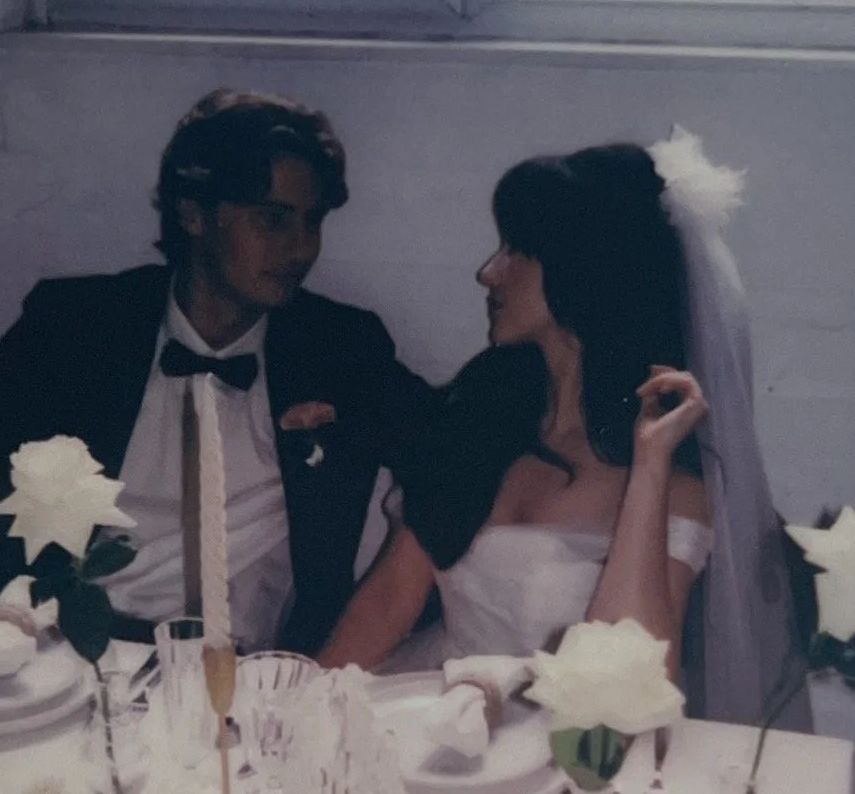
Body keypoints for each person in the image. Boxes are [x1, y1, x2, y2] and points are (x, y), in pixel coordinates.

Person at [0, 89, 431, 657]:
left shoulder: (339, 347)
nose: (300, 249)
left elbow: (460, 466)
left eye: (311, 223)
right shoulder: (75, 327)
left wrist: (403, 637)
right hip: (61, 658)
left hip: (247, 678)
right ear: (192, 214)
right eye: (272, 220)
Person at [318, 128, 812, 731]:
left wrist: (650, 463)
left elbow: (631, 685)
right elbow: (389, 598)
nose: (487, 272)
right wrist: (295, 717)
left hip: (574, 746)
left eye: (515, 249)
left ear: (584, 270)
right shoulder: (479, 422)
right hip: (432, 716)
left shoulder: (676, 481)